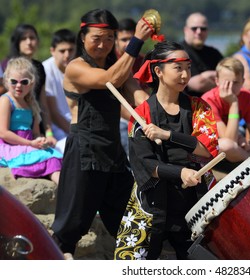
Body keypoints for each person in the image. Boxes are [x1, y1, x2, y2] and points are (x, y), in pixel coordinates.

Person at [50, 9, 153, 260]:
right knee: (68, 229)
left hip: (113, 154)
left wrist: (158, 116)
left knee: (129, 222)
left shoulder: (119, 68)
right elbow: (109, 79)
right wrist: (137, 41)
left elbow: (139, 100)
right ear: (83, 37)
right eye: (97, 37)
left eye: (109, 38)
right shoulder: (76, 67)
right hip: (84, 153)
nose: (103, 44)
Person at [114, 41, 219, 260]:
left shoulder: (199, 106)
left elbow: (207, 149)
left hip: (196, 200)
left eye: (188, 67)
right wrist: (180, 173)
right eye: (178, 68)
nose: (185, 74)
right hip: (153, 200)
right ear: (159, 71)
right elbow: (145, 164)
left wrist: (167, 135)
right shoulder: (141, 115)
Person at [0, 57, 62, 184]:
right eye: (14, 81)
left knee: (56, 156)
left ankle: (66, 193)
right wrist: (30, 144)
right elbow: (3, 133)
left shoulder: (30, 104)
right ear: (6, 81)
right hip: (9, 146)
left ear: (31, 84)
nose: (18, 85)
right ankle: (66, 194)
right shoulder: (6, 100)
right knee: (50, 158)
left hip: (28, 145)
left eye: (24, 82)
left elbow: (35, 134)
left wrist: (41, 140)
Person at [1, 24, 57, 147]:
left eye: (32, 38)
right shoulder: (6, 65)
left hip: (34, 122)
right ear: (17, 42)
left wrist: (48, 133)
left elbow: (43, 103)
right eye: (24, 38)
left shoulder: (39, 67)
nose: (29, 42)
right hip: (11, 128)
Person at [115, 17, 149, 157]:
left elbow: (145, 92)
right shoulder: (112, 62)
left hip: (142, 117)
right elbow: (118, 105)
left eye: (132, 39)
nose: (129, 44)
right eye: (124, 40)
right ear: (116, 40)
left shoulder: (143, 60)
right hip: (122, 119)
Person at [43, 29, 76, 153]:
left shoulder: (77, 67)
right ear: (52, 51)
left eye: (71, 50)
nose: (67, 55)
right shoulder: (46, 70)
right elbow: (53, 113)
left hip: (74, 125)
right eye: (62, 51)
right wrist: (76, 133)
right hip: (57, 130)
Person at [182, 12, 223, 97]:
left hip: (213, 104)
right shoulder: (179, 52)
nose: (199, 31)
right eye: (194, 28)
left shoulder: (214, 53)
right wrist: (220, 78)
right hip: (187, 106)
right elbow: (198, 84)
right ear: (185, 30)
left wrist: (207, 75)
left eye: (203, 28)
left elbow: (231, 75)